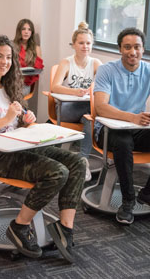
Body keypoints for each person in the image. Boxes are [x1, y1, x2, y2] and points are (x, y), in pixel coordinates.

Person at [0, 35, 85, 263]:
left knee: (78, 162)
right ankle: (20, 225)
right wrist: (4, 119)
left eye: (8, 57)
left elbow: (16, 122)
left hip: (19, 147)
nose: (4, 62)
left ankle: (65, 229)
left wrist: (25, 119)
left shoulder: (10, 86)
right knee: (58, 172)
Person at [93, 27, 150, 225]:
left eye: (137, 47)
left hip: (138, 131)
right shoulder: (106, 70)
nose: (132, 52)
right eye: (127, 47)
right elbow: (101, 107)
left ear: (143, 49)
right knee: (124, 142)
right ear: (120, 49)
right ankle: (128, 201)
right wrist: (132, 118)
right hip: (108, 132)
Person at [50, 21, 102, 182]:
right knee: (91, 116)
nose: (85, 46)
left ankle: (83, 160)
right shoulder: (67, 62)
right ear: (73, 44)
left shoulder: (96, 63)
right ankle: (83, 158)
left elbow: (105, 87)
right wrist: (75, 92)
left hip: (85, 109)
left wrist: (92, 90)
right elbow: (55, 87)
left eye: (88, 43)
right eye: (81, 43)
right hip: (66, 109)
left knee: (89, 118)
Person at [13, 19, 43, 95]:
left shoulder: (36, 48)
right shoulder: (11, 46)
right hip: (11, 81)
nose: (26, 32)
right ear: (19, 31)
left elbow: (39, 69)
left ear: (31, 32)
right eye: (23, 29)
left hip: (24, 84)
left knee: (15, 94)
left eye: (29, 30)